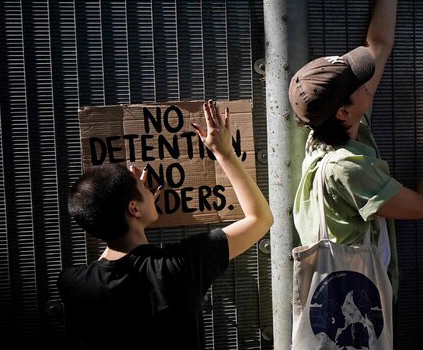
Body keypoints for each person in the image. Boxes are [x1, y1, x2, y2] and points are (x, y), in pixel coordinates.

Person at [289, 0, 423, 297]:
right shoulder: (348, 169)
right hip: (359, 302)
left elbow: (379, 44)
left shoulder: (328, 129)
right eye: (358, 84)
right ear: (343, 111)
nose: (366, 82)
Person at [58, 100, 273, 350]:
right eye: (144, 188)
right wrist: (224, 152)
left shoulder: (72, 284)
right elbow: (260, 219)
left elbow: (111, 258)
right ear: (133, 209)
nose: (150, 189)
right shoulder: (180, 264)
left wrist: (137, 209)